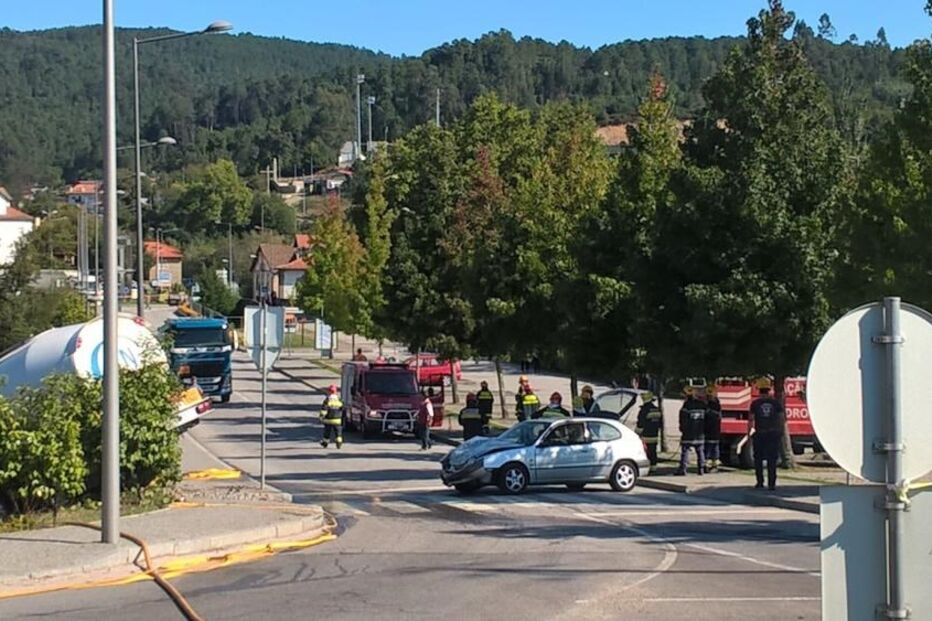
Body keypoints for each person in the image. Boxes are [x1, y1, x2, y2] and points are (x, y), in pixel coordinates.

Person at [749, 378, 785, 490]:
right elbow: (781, 418)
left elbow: (751, 419)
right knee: (772, 460)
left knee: (758, 459)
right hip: (773, 433)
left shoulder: (755, 403)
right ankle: (771, 484)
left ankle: (760, 482)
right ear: (769, 391)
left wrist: (749, 433)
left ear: (759, 391)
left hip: (760, 433)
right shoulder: (776, 403)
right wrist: (780, 431)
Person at [675, 386, 706, 475]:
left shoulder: (686, 406)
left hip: (688, 434)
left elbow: (682, 420)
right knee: (700, 451)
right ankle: (701, 469)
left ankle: (683, 469)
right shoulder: (702, 405)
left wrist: (682, 429)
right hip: (700, 433)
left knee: (685, 451)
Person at [636, 391, 663, 470]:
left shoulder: (644, 410)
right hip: (654, 435)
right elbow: (660, 424)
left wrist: (636, 434)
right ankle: (653, 467)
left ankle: (647, 467)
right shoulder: (657, 409)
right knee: (653, 451)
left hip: (645, 436)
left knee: (645, 452)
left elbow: (640, 424)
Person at [704, 385, 722, 472]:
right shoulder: (718, 406)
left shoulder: (707, 406)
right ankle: (714, 466)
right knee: (715, 449)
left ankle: (707, 466)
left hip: (709, 431)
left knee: (708, 449)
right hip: (716, 432)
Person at [319, 384, 344, 449]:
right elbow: (342, 408)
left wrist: (321, 416)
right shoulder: (339, 399)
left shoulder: (327, 400)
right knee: (338, 433)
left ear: (329, 391)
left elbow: (324, 409)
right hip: (337, 420)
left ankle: (325, 443)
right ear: (336, 392)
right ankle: (339, 443)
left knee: (327, 432)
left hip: (328, 420)